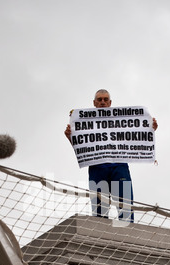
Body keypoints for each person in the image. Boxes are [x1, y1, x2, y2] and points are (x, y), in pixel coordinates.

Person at [65, 89, 158, 221]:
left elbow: (136, 136)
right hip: (97, 168)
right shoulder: (85, 122)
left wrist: (149, 128)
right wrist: (70, 137)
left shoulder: (120, 120)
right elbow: (82, 148)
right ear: (94, 103)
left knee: (125, 209)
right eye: (99, 99)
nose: (102, 102)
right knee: (99, 211)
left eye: (105, 99)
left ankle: (126, 237)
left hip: (119, 167)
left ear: (110, 102)